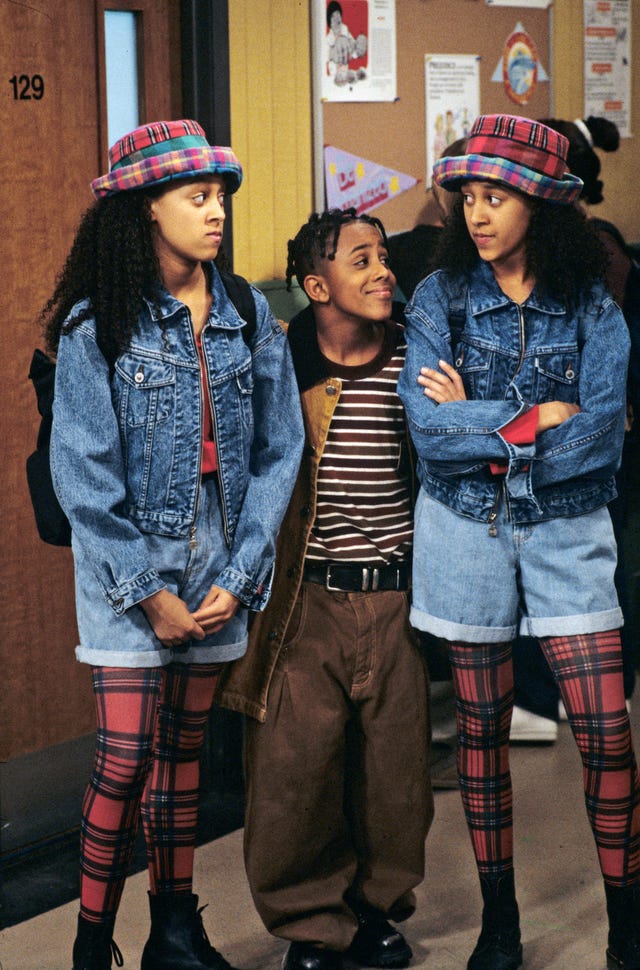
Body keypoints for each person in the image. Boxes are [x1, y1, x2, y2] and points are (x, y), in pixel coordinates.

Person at [41, 119, 304, 970]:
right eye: (197, 196)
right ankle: (91, 945)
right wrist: (146, 589)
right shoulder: (96, 323)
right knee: (124, 758)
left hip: (221, 545)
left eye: (220, 194)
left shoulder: (246, 311)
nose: (216, 210)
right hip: (127, 560)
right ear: (146, 209)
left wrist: (244, 568)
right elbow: (82, 474)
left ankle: (174, 929)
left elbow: (279, 448)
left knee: (184, 753)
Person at [397, 114, 640, 970]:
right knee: (481, 730)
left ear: (541, 204)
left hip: (569, 529)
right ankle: (501, 927)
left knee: (607, 730)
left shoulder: (592, 305)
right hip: (464, 527)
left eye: (496, 197)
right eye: (468, 196)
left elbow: (604, 437)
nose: (477, 213)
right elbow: (428, 430)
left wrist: (485, 423)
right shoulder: (437, 298)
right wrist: (540, 417)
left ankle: (627, 930)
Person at [217, 208, 433, 970]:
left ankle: (376, 910)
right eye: (361, 259)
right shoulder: (280, 363)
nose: (383, 271)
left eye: (385, 257)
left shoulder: (417, 357)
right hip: (304, 599)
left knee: (395, 776)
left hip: (397, 598)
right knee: (294, 771)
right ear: (317, 286)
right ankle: (311, 924)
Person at [510, 114, 638, 742]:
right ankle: (559, 700)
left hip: (594, 448)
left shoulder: (594, 257)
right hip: (559, 443)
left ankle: (554, 699)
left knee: (585, 575)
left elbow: (595, 386)